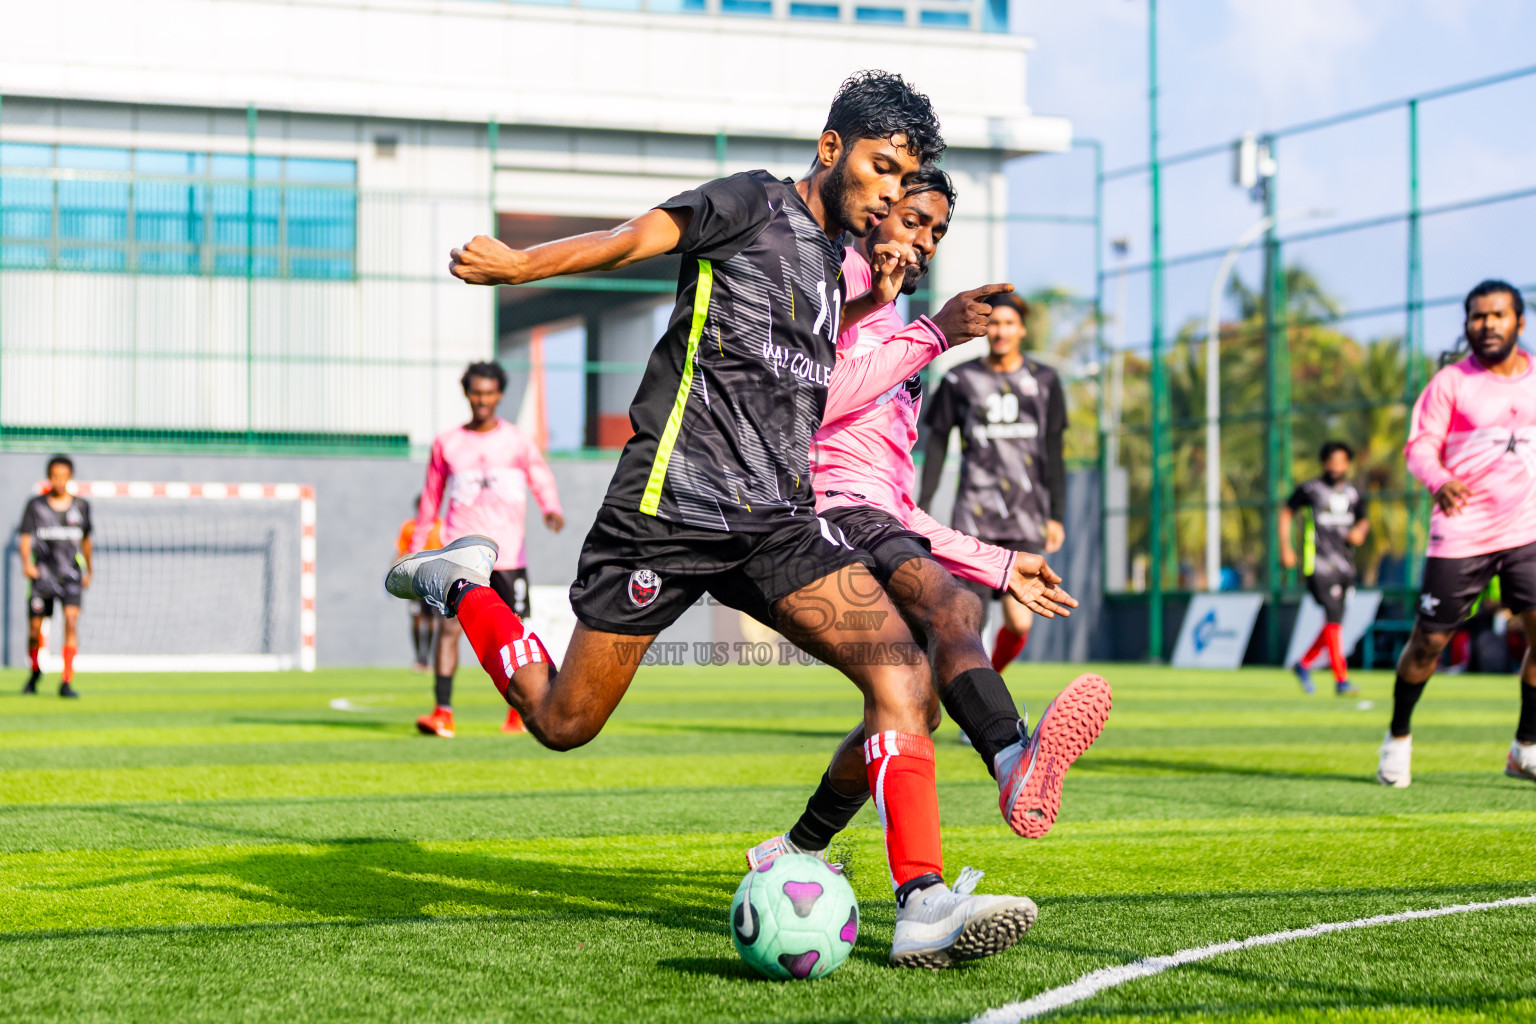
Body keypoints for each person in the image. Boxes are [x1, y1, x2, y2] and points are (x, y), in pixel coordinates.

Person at [389, 72, 1056, 968]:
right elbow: (633, 239)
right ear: (832, 150)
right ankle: (464, 584)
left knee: (903, 679)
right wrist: (519, 265)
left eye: (905, 181)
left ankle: (924, 902)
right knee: (562, 719)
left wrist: (912, 317)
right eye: (880, 168)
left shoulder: (835, 268)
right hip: (668, 511)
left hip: (776, 525)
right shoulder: (746, 204)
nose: (891, 194)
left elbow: (811, 354)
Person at [746, 167, 1111, 877]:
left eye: (937, 231)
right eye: (914, 221)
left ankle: (794, 851)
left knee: (910, 706)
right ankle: (1011, 761)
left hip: (869, 512)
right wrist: (930, 336)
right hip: (818, 511)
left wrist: (1001, 562)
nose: (925, 241)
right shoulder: (836, 287)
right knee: (948, 608)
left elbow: (897, 503)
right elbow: (809, 402)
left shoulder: (897, 327)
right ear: (875, 213)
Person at [1378, 279, 1536, 788]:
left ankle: (1525, 748)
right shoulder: (1450, 383)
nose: (1486, 324)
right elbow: (1420, 447)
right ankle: (1398, 738)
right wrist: (1441, 478)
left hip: (1527, 530)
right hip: (1463, 532)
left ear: (1519, 323)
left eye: (1497, 315)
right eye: (1477, 316)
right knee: (1429, 643)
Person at [410, 362, 565, 738]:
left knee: (517, 634)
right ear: (467, 393)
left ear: (499, 394)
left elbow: (539, 475)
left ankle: (520, 714)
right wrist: (417, 549)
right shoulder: (446, 442)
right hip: (459, 555)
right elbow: (430, 499)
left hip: (508, 555)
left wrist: (551, 507)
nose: (482, 399)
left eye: (489, 392)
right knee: (449, 632)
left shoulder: (517, 440)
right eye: (476, 392)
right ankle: (442, 712)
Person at [918, 292, 1066, 672]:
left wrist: (1057, 515)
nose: (1000, 331)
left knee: (1020, 622)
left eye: (1008, 324)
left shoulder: (1046, 381)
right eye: (994, 324)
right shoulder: (959, 379)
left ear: (1022, 330)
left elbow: (1053, 451)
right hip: (974, 520)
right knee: (971, 624)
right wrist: (923, 503)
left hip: (1026, 519)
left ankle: (990, 683)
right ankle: (978, 705)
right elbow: (936, 447)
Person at [1280, 441, 1369, 696]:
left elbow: (1363, 520)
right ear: (1324, 463)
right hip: (1318, 564)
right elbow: (1286, 513)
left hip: (1345, 566)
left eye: (1341, 461)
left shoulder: (1354, 492)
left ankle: (1303, 664)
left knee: (1335, 622)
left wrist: (1360, 531)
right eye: (1331, 461)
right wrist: (1286, 547)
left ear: (1347, 464)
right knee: (1333, 617)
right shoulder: (1310, 490)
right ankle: (1341, 679)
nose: (1336, 466)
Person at [19, 455, 91, 698]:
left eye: (63, 476)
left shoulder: (81, 507)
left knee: (71, 622)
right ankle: (35, 670)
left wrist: (89, 569)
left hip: (70, 575)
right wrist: (26, 563)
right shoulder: (36, 506)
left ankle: (66, 680)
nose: (59, 481)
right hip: (43, 576)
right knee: (34, 629)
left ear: (70, 478)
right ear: (49, 477)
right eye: (54, 476)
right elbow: (26, 537)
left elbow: (86, 540)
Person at [398, 495, 443, 673]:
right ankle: (419, 658)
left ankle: (429, 660)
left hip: (434, 579)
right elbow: (402, 551)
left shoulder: (441, 526)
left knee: (432, 619)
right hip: (414, 579)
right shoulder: (410, 527)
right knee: (417, 618)